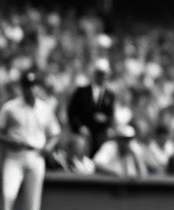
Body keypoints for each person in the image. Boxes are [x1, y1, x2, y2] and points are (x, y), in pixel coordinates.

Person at [0, 71, 61, 210]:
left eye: (33, 85)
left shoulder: (45, 109)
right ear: (22, 87)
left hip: (36, 156)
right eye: (27, 86)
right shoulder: (10, 107)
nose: (31, 89)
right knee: (7, 195)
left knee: (33, 204)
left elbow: (56, 133)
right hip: (15, 155)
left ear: (38, 87)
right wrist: (9, 141)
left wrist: (49, 147)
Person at [67, 58, 116, 156]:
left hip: (100, 134)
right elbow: (72, 112)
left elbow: (110, 115)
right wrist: (80, 127)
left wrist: (105, 120)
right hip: (83, 132)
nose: (102, 77)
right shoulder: (82, 91)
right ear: (95, 74)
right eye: (99, 74)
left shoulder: (110, 95)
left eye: (104, 74)